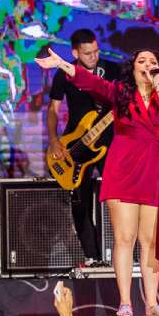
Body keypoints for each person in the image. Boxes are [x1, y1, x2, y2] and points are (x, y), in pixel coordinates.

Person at [35, 47, 159, 316]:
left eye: (153, 61)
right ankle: (126, 302)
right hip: (123, 169)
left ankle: (151, 304)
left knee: (150, 241)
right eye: (142, 60)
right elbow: (91, 82)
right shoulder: (120, 93)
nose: (148, 64)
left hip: (154, 171)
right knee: (125, 238)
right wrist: (63, 65)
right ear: (133, 68)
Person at [46, 28, 117, 265]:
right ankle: (92, 258)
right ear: (75, 52)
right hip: (75, 146)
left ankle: (121, 254)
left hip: (109, 144)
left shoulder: (112, 70)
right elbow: (53, 110)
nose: (93, 57)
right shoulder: (64, 74)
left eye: (96, 51)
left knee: (118, 199)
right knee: (80, 204)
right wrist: (54, 140)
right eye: (87, 54)